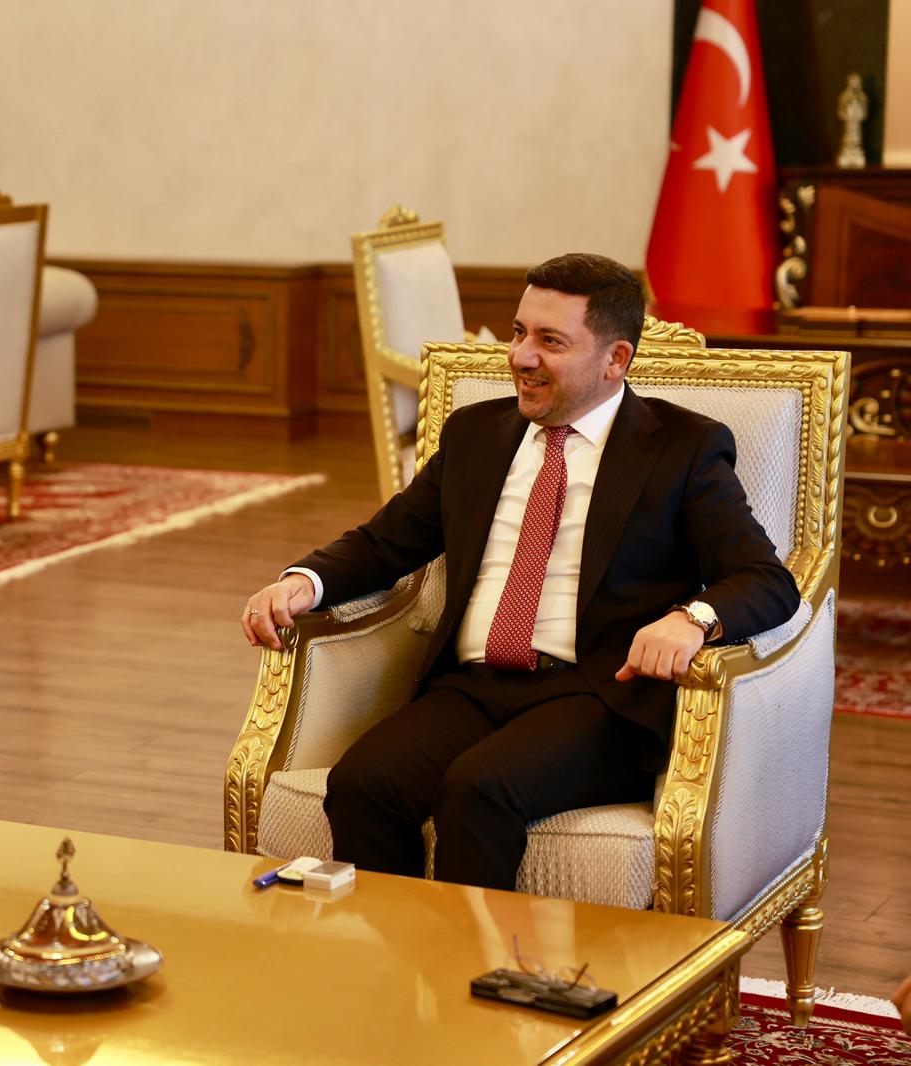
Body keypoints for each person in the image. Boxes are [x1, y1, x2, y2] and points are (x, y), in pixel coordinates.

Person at [240, 253, 800, 889]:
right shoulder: (476, 433)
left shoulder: (681, 447)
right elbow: (384, 543)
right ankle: (398, 952)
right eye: (518, 332)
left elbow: (765, 579)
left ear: (615, 359)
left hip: (599, 696)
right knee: (364, 784)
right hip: (472, 685)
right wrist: (303, 582)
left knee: (479, 791)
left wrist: (691, 619)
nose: (520, 357)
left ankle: (477, 955)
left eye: (550, 341)